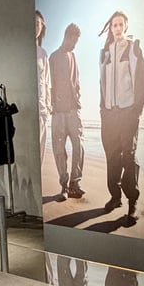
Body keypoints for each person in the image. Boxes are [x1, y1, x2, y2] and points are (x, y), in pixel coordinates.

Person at [97, 10, 144, 221]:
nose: (117, 28)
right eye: (114, 25)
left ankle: (132, 201)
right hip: (110, 115)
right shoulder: (105, 53)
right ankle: (115, 197)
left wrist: (137, 109)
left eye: (120, 24)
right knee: (111, 157)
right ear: (110, 28)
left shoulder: (134, 48)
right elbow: (102, 83)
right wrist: (103, 109)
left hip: (128, 113)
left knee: (128, 156)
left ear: (125, 26)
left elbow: (143, 81)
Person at [49, 23, 85, 199]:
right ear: (67, 36)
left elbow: (76, 81)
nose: (75, 45)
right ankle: (64, 186)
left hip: (73, 110)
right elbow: (49, 84)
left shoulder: (73, 56)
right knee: (59, 150)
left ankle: (74, 183)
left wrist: (77, 100)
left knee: (79, 145)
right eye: (74, 41)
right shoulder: (53, 57)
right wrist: (52, 106)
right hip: (58, 112)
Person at [36, 11, 52, 169]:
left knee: (40, 151)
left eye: (38, 24)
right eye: (33, 23)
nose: (35, 27)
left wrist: (47, 106)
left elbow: (47, 82)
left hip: (41, 110)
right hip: (26, 108)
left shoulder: (43, 54)